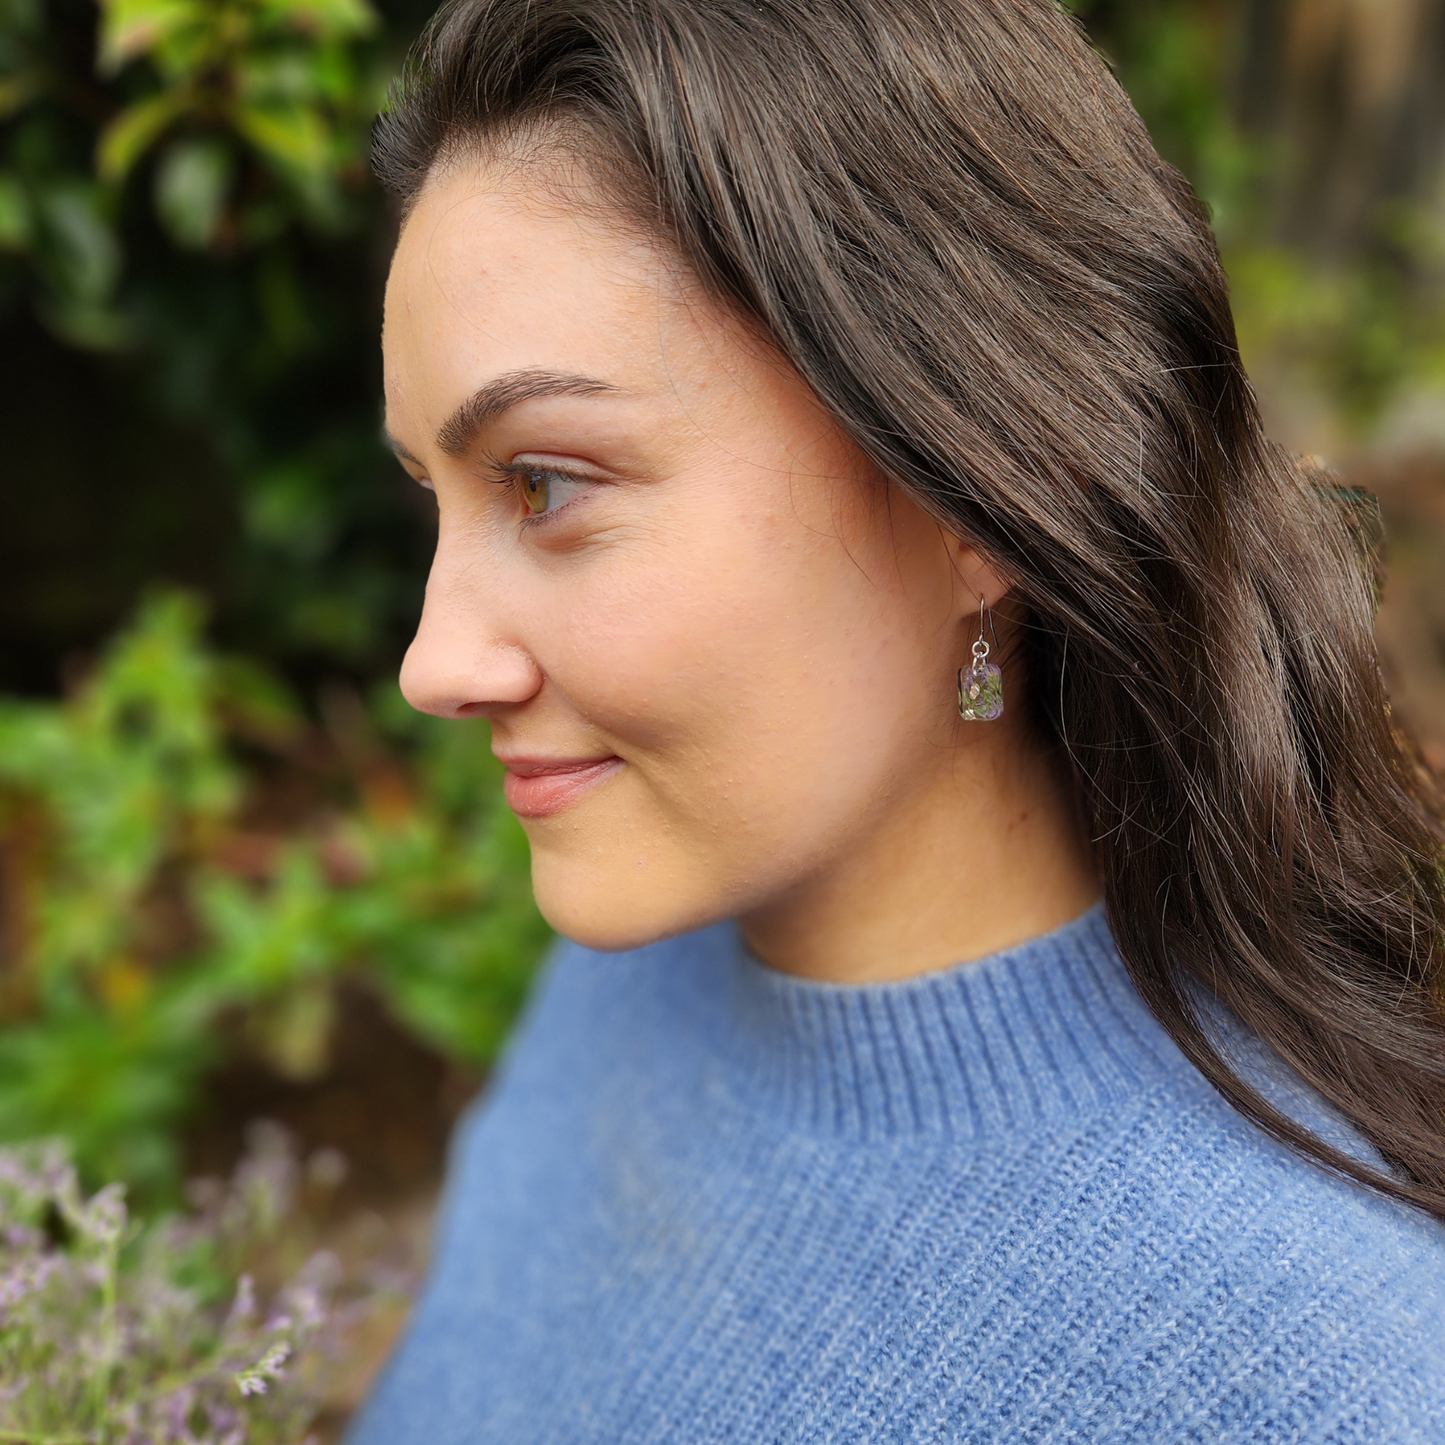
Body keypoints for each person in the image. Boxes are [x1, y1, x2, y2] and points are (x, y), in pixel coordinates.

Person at [349, 0, 1445, 1439]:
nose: (434, 662)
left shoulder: (1322, 1367)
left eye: (545, 483)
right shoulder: (636, 965)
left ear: (968, 494)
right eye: (439, 494)